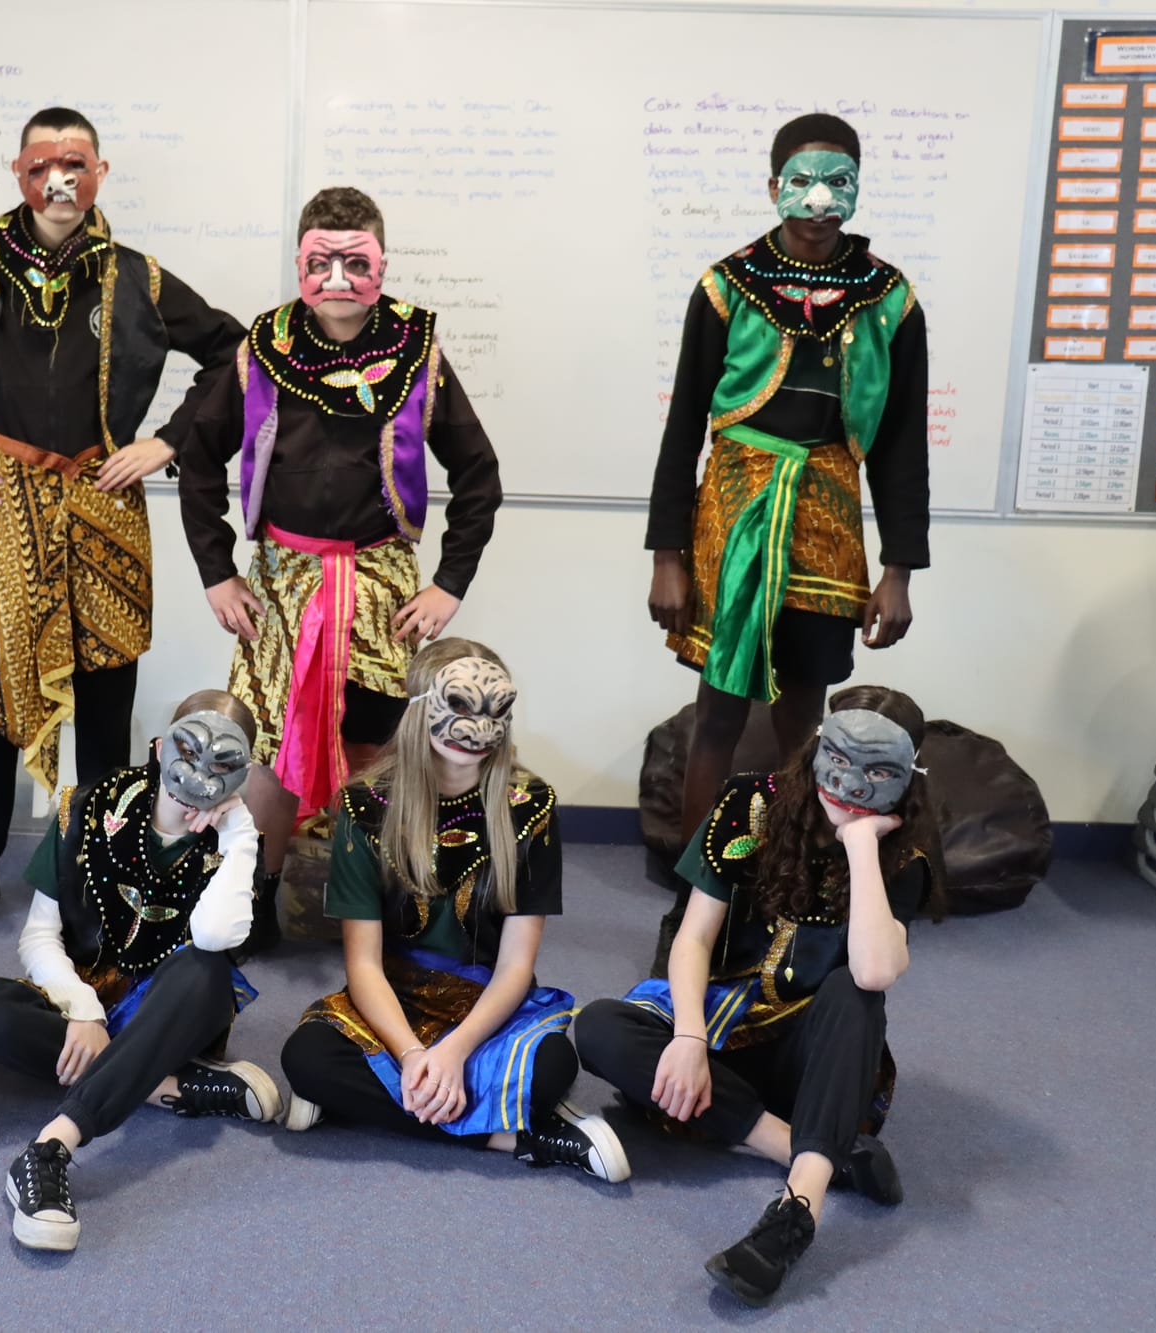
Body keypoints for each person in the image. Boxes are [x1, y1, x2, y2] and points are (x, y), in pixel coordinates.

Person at [0, 107, 244, 936]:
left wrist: (168, 441)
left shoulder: (136, 276)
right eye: (43, 166)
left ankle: (101, 869)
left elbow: (233, 351)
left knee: (108, 696)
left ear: (100, 172)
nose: (59, 181)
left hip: (103, 497)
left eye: (76, 164)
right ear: (19, 173)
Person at [178, 188, 504, 927]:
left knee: (379, 739)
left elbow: (479, 477)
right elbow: (196, 462)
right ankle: (256, 898)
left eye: (354, 262)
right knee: (266, 737)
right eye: (319, 261)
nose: (335, 279)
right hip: (282, 584)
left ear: (381, 263)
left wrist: (449, 584)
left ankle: (371, 898)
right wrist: (217, 571)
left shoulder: (418, 351)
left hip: (382, 584)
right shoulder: (261, 349)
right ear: (299, 261)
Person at [571, 685, 942, 1306]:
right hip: (723, 1035)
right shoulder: (750, 802)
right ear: (817, 747)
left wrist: (860, 845)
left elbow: (876, 972)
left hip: (813, 1058)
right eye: (840, 760)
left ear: (906, 780)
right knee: (599, 1027)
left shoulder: (905, 854)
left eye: (876, 772)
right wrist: (688, 1036)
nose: (849, 786)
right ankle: (821, 1153)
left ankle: (798, 1210)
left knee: (856, 992)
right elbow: (691, 938)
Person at [645, 114, 929, 853]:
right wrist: (667, 556)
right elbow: (682, 428)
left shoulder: (889, 299)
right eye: (801, 182)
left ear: (858, 188)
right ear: (773, 186)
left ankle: (785, 878)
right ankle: (694, 888)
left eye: (837, 182)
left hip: (830, 510)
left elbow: (902, 444)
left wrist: (898, 572)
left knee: (804, 708)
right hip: (735, 508)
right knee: (719, 708)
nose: (818, 200)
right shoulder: (726, 286)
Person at [276, 639, 627, 1182]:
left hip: (485, 1005)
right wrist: (417, 1055)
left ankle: (374, 1105)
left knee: (555, 1064)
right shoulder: (365, 806)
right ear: (420, 708)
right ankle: (511, 1136)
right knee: (307, 1057)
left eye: (494, 709)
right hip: (395, 999)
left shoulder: (530, 806)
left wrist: (455, 1051)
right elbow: (364, 965)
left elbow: (515, 967)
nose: (476, 728)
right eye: (459, 704)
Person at [0, 690, 280, 1251]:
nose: (201, 774)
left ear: (242, 775)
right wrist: (82, 1010)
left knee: (206, 969)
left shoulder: (240, 844)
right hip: (88, 994)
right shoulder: (87, 806)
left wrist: (240, 834)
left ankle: (51, 1146)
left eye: (224, 763)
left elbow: (212, 939)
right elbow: (38, 935)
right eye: (188, 750)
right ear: (158, 748)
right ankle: (167, 1088)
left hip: (169, 1011)